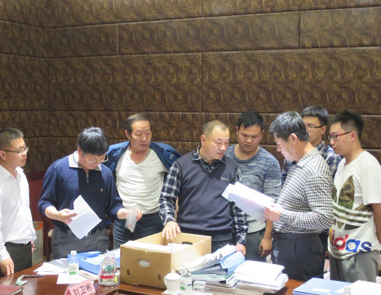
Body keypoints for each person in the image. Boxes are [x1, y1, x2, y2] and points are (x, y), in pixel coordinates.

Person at [38, 127, 141, 259]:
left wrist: (127, 213)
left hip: (97, 238)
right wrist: (57, 215)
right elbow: (44, 202)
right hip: (66, 238)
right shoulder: (58, 169)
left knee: (100, 272)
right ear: (80, 151)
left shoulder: (105, 173)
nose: (97, 163)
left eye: (101, 159)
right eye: (93, 159)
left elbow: (113, 207)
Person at [160, 120, 247, 255]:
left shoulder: (231, 167)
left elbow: (239, 206)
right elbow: (166, 198)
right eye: (218, 143)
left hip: (222, 237)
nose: (223, 148)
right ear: (203, 140)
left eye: (227, 143)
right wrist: (169, 220)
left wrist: (241, 240)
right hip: (188, 236)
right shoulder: (181, 165)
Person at [264, 112, 333, 281]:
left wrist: (282, 215)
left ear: (293, 138)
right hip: (290, 246)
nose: (278, 149)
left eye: (279, 144)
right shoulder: (298, 163)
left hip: (301, 249)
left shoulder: (314, 170)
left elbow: (325, 218)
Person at [327, 111, 381, 283]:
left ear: (352, 135)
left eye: (335, 136)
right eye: (330, 137)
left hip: (360, 250)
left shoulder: (368, 165)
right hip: (337, 248)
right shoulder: (342, 163)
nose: (331, 142)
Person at [105, 114, 180, 248]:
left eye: (148, 133)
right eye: (138, 134)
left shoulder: (163, 154)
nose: (144, 139)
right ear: (128, 134)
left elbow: (180, 180)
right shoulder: (115, 154)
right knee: (121, 256)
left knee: (150, 257)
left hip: (152, 219)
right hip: (124, 218)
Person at [0, 128, 36, 280]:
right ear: (3, 154)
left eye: (25, 148)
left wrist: (29, 236)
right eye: (19, 150)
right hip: (6, 252)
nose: (24, 153)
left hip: (25, 249)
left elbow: (23, 211)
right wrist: (2, 256)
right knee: (9, 294)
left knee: (28, 293)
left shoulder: (21, 176)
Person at [226, 110, 281, 261]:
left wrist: (267, 237)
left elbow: (273, 202)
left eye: (254, 136)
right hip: (225, 228)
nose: (249, 140)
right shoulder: (224, 156)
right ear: (237, 131)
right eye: (244, 135)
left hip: (254, 231)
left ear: (262, 134)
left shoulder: (269, 162)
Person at [283, 106, 342, 180]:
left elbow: (327, 186)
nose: (305, 130)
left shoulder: (331, 157)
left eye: (310, 126)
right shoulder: (291, 154)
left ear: (323, 129)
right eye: (302, 126)